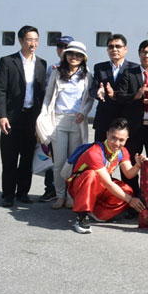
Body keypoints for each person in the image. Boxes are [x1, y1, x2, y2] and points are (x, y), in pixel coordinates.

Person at [0, 25, 47, 207]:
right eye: (29, 40)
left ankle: (23, 192)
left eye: (36, 40)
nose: (33, 44)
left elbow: (41, 92)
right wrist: (1, 115)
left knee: (26, 158)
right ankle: (7, 194)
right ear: (21, 40)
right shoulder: (7, 61)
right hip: (11, 118)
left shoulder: (41, 64)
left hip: (31, 118)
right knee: (9, 158)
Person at [67, 118, 147, 234]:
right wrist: (130, 201)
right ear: (107, 134)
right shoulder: (94, 152)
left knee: (127, 191)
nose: (116, 143)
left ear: (126, 140)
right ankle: (82, 215)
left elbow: (129, 174)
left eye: (121, 140)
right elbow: (108, 183)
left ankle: (95, 212)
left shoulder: (122, 151)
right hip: (80, 185)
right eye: (113, 138)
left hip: (100, 185)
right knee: (91, 175)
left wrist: (138, 165)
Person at [42, 41, 94, 209]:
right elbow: (48, 97)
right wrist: (43, 116)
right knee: (59, 162)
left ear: (83, 58)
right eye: (71, 54)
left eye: (78, 55)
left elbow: (90, 100)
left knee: (74, 162)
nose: (74, 57)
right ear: (65, 55)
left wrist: (84, 112)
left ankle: (72, 195)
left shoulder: (87, 75)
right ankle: (60, 195)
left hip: (77, 122)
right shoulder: (57, 73)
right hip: (58, 120)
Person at [115, 40, 148, 202]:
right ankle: (131, 199)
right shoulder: (129, 74)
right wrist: (136, 96)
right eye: (143, 52)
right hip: (133, 128)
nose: (146, 55)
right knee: (129, 165)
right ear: (139, 53)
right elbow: (120, 97)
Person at [40, 34, 74, 203]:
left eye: (66, 47)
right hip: (54, 119)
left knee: (71, 159)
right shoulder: (52, 69)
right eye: (60, 46)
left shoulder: (82, 71)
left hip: (74, 121)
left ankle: (70, 193)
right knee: (53, 156)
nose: (62, 50)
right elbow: (46, 94)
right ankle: (51, 189)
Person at [89, 34, 138, 142]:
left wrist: (116, 95)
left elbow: (134, 93)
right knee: (100, 154)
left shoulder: (134, 68)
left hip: (125, 119)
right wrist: (98, 92)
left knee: (124, 156)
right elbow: (92, 89)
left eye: (118, 46)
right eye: (111, 47)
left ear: (125, 49)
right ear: (107, 50)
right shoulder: (100, 68)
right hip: (104, 119)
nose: (114, 49)